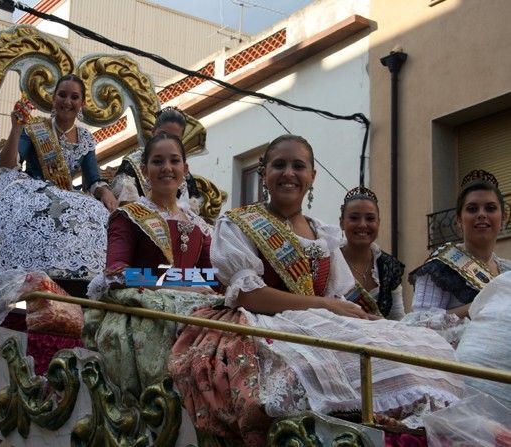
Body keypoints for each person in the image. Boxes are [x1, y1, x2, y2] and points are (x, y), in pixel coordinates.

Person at [170, 135, 463, 445]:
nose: (289, 173)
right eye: (279, 165)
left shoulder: (324, 234)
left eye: (298, 166)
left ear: (312, 176)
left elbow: (338, 295)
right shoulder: (238, 223)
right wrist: (324, 306)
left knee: (414, 347)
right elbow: (247, 295)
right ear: (264, 172)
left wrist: (357, 316)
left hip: (319, 320)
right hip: (261, 320)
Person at [85, 132, 218, 406]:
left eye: (174, 161)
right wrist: (173, 282)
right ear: (144, 170)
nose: (167, 168)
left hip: (195, 304)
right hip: (145, 307)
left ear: (185, 169)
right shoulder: (128, 216)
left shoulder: (200, 225)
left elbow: (211, 277)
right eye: (158, 161)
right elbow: (116, 273)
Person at [0, 74, 117, 279]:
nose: (67, 102)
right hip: (35, 194)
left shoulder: (85, 138)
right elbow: (7, 166)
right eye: (62, 95)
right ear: (54, 99)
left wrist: (104, 192)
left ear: (82, 104)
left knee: (97, 211)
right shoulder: (34, 128)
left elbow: (92, 180)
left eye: (74, 97)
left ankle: (79, 268)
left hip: (66, 196)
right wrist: (16, 130)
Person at [410, 169, 511, 318]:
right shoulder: (439, 268)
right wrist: (476, 307)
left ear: (504, 218)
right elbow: (419, 322)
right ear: (459, 220)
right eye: (472, 209)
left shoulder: (508, 271)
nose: (482, 214)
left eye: (490, 208)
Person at [110, 106, 203, 213]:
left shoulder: (183, 172)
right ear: (153, 131)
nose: (167, 140)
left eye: (175, 138)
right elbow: (127, 205)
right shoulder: (132, 162)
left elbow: (192, 210)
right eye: (162, 134)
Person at [340, 186, 406, 320]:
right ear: (342, 223)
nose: (362, 224)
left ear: (378, 223)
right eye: (354, 218)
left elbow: (397, 318)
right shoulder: (328, 260)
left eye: (370, 219)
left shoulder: (388, 266)